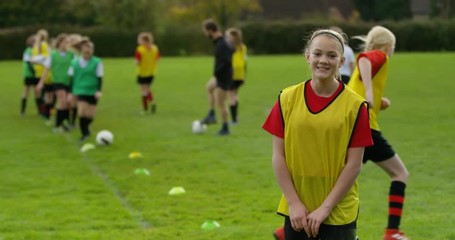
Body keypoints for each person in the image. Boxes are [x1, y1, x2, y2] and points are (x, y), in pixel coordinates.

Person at [263, 29, 373, 240]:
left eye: (332, 56)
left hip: (338, 210)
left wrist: (325, 208)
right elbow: (278, 156)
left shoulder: (356, 106)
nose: (324, 60)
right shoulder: (287, 98)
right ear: (307, 56)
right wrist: (294, 202)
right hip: (297, 211)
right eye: (318, 54)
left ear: (341, 61)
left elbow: (354, 165)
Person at [347, 26, 410, 240]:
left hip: (353, 127)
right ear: (387, 46)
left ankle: (290, 230)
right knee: (400, 173)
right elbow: (363, 59)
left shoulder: (363, 69)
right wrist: (370, 95)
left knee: (341, 183)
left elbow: (356, 86)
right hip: (367, 129)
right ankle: (392, 232)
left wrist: (377, 101)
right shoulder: (380, 55)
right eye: (393, 47)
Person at [201, 19, 234, 135]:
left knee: (220, 102)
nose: (205, 34)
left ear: (210, 30)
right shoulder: (220, 41)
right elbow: (232, 50)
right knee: (209, 88)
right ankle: (211, 114)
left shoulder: (221, 43)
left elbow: (226, 61)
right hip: (220, 74)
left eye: (205, 31)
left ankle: (225, 128)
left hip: (223, 76)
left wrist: (217, 73)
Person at [68, 40, 103, 141]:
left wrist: (99, 90)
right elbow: (71, 78)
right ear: (82, 50)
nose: (88, 52)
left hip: (92, 90)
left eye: (90, 50)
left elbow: (100, 77)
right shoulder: (74, 62)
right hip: (80, 90)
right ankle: (84, 134)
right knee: (81, 112)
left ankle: (85, 128)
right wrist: (70, 92)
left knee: (90, 116)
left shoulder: (97, 62)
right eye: (86, 50)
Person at [38, 33, 74, 131]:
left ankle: (65, 122)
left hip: (69, 81)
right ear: (59, 43)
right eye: (63, 42)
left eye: (67, 42)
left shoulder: (71, 54)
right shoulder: (53, 54)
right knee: (62, 101)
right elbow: (46, 69)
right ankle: (57, 125)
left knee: (68, 103)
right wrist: (41, 82)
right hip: (58, 81)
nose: (65, 44)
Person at [226, 28, 247, 124]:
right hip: (241, 74)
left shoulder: (230, 47)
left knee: (231, 96)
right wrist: (244, 76)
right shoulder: (243, 47)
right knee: (235, 94)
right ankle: (236, 117)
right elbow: (245, 62)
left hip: (232, 73)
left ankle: (234, 119)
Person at [135, 32, 160, 115]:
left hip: (142, 73)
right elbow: (158, 60)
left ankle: (145, 109)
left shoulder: (140, 49)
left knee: (143, 91)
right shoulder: (155, 48)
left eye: (140, 40)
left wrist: (136, 63)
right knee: (147, 89)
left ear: (144, 41)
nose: (138, 41)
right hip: (151, 73)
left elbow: (137, 61)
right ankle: (152, 102)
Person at [31, 29, 53, 122]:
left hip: (43, 72)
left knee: (43, 93)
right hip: (39, 72)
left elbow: (46, 57)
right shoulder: (38, 46)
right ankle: (43, 111)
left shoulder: (43, 46)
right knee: (41, 93)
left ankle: (44, 112)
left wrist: (36, 60)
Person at [20, 34, 43, 116]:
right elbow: (28, 62)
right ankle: (22, 111)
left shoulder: (37, 50)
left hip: (36, 74)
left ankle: (40, 111)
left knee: (37, 93)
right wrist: (33, 71)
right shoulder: (28, 50)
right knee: (26, 92)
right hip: (29, 74)